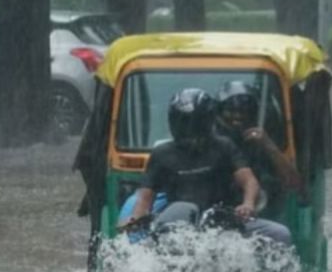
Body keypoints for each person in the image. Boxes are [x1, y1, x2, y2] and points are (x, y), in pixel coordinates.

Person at [125, 88, 260, 231]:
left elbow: (248, 180)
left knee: (280, 233)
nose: (188, 128)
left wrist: (248, 204)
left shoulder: (224, 146)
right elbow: (145, 197)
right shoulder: (161, 153)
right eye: (183, 122)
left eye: (193, 123)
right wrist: (135, 219)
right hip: (177, 226)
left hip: (222, 223)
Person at [214, 80, 302, 245]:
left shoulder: (265, 144)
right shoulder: (209, 143)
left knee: (281, 234)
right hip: (217, 214)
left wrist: (268, 145)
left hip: (265, 214)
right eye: (231, 111)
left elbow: (294, 184)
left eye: (243, 112)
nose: (237, 117)